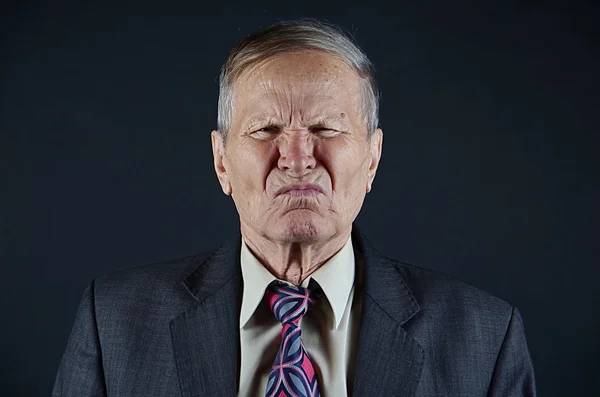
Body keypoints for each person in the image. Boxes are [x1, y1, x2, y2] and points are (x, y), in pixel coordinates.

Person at [52, 19, 536, 397]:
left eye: (326, 129)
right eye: (265, 131)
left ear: (372, 158)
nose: (298, 159)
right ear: (222, 162)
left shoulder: (486, 338)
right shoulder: (113, 324)